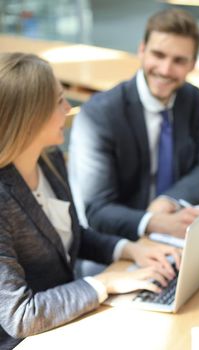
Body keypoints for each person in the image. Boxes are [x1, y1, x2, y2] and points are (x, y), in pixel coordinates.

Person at [0, 53, 182, 349]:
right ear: (31, 117)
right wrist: (105, 284)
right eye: (59, 101)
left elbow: (70, 235)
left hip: (69, 318)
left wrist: (130, 249)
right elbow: (20, 316)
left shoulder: (49, 159)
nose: (69, 108)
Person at [69, 9, 199, 240]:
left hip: (175, 230)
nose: (165, 70)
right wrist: (154, 222)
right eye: (158, 55)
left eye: (179, 61)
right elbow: (97, 210)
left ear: (193, 64)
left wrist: (169, 200)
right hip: (117, 241)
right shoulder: (100, 114)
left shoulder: (190, 98)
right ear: (141, 50)